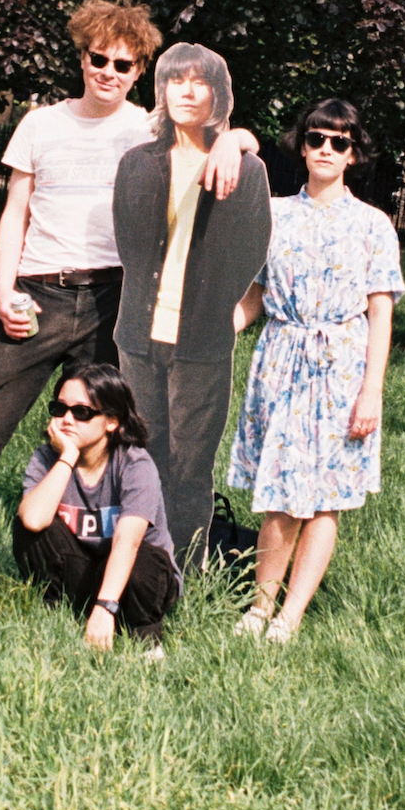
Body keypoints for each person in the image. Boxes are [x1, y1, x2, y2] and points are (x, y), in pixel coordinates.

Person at [0, 0, 256, 541]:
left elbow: (232, 139)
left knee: (106, 437)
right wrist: (4, 292)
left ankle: (91, 545)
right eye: (98, 59)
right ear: (81, 58)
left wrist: (234, 143)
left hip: (115, 301)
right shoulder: (41, 124)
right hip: (38, 296)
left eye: (123, 65)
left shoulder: (152, 131)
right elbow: (15, 213)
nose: (108, 73)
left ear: (139, 72)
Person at [226, 97, 405, 642]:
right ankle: (259, 608)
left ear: (353, 153)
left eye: (338, 142)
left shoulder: (373, 225)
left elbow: (380, 313)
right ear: (301, 146)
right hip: (281, 362)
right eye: (316, 138)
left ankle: (291, 615)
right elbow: (254, 298)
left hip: (342, 371)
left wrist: (371, 392)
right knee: (281, 494)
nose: (326, 149)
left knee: (327, 498)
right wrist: (213, 332)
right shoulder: (273, 214)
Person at [111, 43, 271, 575]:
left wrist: (216, 309)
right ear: (161, 90)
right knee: (140, 457)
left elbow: (251, 250)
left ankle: (181, 574)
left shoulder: (245, 170)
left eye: (199, 82)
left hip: (201, 345)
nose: (186, 91)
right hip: (138, 338)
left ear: (217, 96)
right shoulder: (137, 164)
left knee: (188, 470)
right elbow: (130, 245)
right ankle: (136, 563)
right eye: (175, 80)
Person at [12, 365, 180, 652]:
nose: (67, 419)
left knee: (143, 563)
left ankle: (145, 637)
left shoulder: (135, 465)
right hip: (86, 572)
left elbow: (128, 543)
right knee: (30, 528)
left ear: (111, 421)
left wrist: (105, 606)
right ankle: (56, 618)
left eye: (81, 412)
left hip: (136, 580)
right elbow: (33, 520)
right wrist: (67, 457)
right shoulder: (47, 458)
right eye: (59, 409)